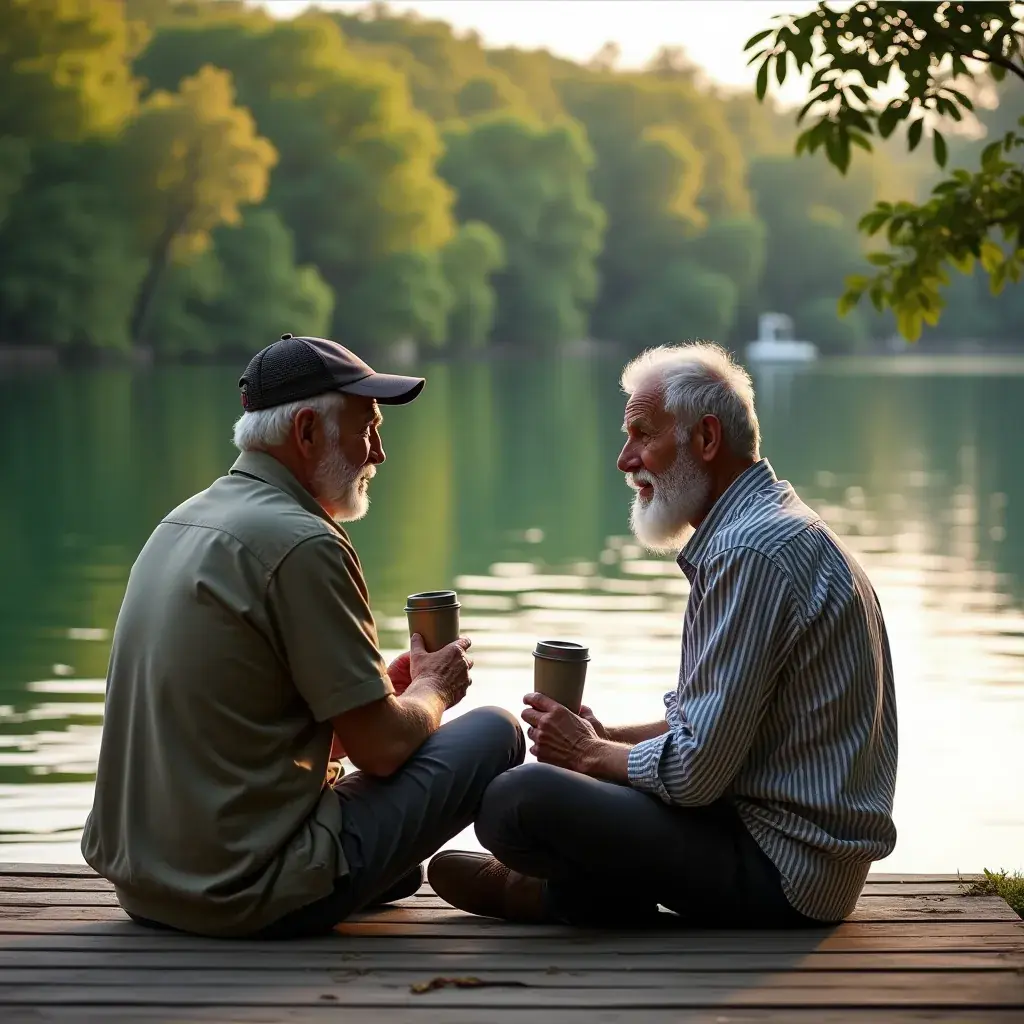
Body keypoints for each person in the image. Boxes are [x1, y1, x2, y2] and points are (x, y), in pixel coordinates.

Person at [429, 343, 898, 928]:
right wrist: (606, 737)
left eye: (642, 435)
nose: (625, 460)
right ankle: (587, 889)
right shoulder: (766, 526)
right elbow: (717, 729)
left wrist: (590, 754)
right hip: (778, 842)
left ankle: (561, 895)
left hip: (785, 872)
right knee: (555, 777)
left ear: (705, 439)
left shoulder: (749, 551)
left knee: (513, 801)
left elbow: (698, 772)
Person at [82, 334, 524, 939]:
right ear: (308, 431)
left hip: (147, 886)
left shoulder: (182, 520)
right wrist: (431, 690)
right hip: (240, 892)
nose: (379, 453)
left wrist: (375, 699)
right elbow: (384, 750)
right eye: (367, 428)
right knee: (496, 731)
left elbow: (238, 729)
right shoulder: (304, 542)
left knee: (397, 874)